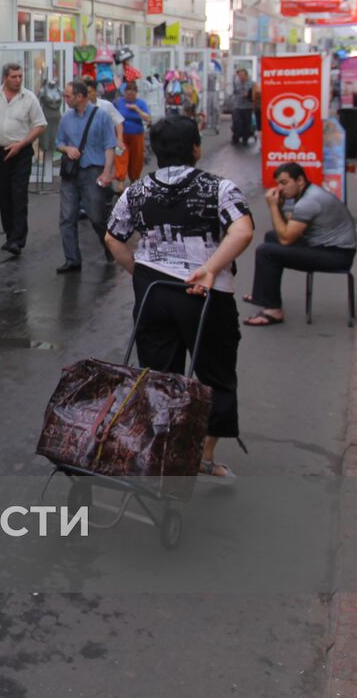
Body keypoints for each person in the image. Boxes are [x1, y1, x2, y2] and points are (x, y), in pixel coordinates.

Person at [105, 117, 255, 483]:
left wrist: (140, 273)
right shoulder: (218, 188)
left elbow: (113, 238)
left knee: (159, 376)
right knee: (214, 375)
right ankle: (203, 457)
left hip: (153, 294)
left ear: (156, 151)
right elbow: (243, 229)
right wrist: (210, 268)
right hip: (206, 296)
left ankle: (163, 453)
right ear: (195, 148)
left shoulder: (136, 192)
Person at [243, 163, 357, 326]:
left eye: (284, 183)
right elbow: (285, 230)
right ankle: (263, 295)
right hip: (325, 247)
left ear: (300, 180)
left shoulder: (308, 202)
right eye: (278, 183)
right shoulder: (307, 194)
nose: (280, 188)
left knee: (266, 251)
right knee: (271, 237)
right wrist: (280, 208)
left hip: (337, 255)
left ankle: (273, 311)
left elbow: (286, 239)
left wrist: (273, 207)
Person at [0, 62, 47, 256]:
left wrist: (22, 144)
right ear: (5, 78)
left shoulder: (29, 98)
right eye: (13, 77)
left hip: (21, 152)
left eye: (20, 77)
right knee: (5, 194)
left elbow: (40, 126)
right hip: (0, 150)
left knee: (19, 194)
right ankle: (9, 234)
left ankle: (18, 239)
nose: (17, 80)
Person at [55, 80, 118, 273]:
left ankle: (110, 248)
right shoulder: (66, 117)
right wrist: (67, 149)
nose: (65, 99)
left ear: (80, 97)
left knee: (96, 216)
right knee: (67, 217)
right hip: (71, 173)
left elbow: (109, 145)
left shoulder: (101, 116)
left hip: (93, 171)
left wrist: (107, 172)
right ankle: (72, 259)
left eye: (68, 96)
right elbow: (59, 142)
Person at [113, 82, 152, 183]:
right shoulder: (118, 102)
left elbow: (148, 119)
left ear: (136, 94)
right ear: (124, 93)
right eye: (127, 94)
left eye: (132, 94)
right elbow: (111, 115)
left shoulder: (141, 103)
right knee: (120, 156)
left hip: (137, 135)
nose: (129, 96)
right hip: (121, 136)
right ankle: (120, 181)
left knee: (136, 159)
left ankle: (133, 180)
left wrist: (136, 109)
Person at [230, 68, 256, 144]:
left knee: (247, 123)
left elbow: (254, 95)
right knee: (237, 122)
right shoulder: (237, 83)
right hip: (238, 106)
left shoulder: (252, 83)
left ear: (246, 75)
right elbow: (234, 92)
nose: (240, 77)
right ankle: (236, 137)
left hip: (248, 106)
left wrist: (249, 95)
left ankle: (245, 138)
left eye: (242, 75)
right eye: (239, 75)